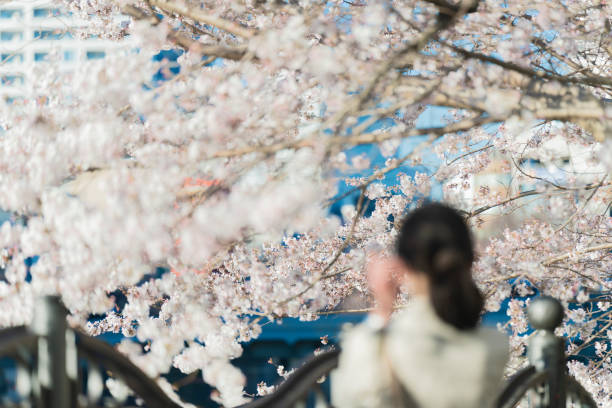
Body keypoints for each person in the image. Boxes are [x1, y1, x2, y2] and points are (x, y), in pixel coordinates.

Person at [331, 203, 509, 408]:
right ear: (469, 260)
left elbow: (349, 400)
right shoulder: (495, 345)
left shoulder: (382, 346)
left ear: (402, 266)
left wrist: (381, 312)